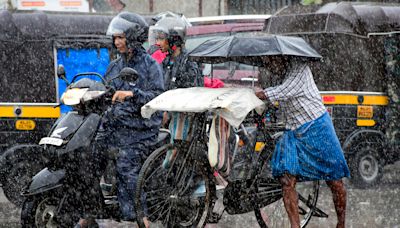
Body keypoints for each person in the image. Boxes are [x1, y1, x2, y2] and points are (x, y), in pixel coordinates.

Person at [75, 12, 164, 228]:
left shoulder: (150, 65)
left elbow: (158, 98)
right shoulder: (115, 66)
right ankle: (89, 212)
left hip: (141, 129)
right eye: (115, 38)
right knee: (87, 158)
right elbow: (106, 92)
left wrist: (133, 95)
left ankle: (140, 217)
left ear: (132, 37)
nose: (116, 42)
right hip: (115, 126)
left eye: (121, 37)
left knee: (126, 163)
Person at [255, 56, 350, 228]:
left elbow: (284, 91)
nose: (269, 66)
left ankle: (341, 223)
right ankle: (295, 226)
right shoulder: (276, 74)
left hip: (317, 127)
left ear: (283, 58)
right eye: (266, 63)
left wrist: (260, 94)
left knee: (335, 180)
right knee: (286, 180)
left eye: (271, 61)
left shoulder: (300, 69)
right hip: (293, 132)